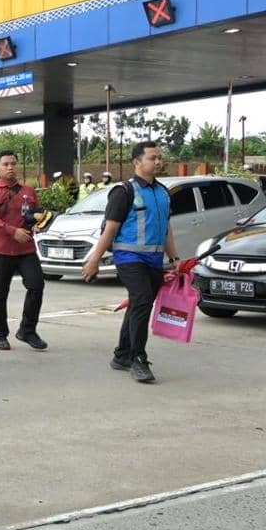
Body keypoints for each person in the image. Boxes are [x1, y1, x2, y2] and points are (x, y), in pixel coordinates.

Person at [82, 141, 179, 384]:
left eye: (159, 158)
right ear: (137, 162)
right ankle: (138, 358)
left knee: (139, 304)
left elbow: (166, 228)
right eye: (152, 158)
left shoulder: (162, 192)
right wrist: (94, 261)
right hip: (129, 258)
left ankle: (122, 355)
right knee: (142, 300)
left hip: (154, 260)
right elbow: (110, 230)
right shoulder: (124, 192)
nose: (158, 162)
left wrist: (175, 258)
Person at [0, 151, 48, 352]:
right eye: (6, 164)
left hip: (26, 248)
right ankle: (0, 334)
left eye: (13, 163)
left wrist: (40, 224)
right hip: (0, 249)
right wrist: (12, 231)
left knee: (37, 285)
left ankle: (27, 330)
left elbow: (35, 215)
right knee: (0, 292)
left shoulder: (28, 191)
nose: (10, 167)